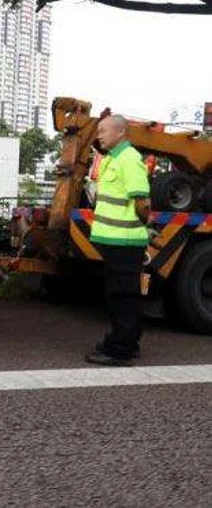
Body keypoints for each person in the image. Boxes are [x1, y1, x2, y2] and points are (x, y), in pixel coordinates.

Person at [85, 115, 151, 366]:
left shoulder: (129, 158)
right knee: (120, 295)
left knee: (123, 297)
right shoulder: (111, 159)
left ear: (121, 132)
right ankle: (126, 342)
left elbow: (142, 202)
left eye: (103, 130)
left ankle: (120, 350)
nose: (99, 135)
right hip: (115, 242)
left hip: (125, 241)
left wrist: (141, 225)